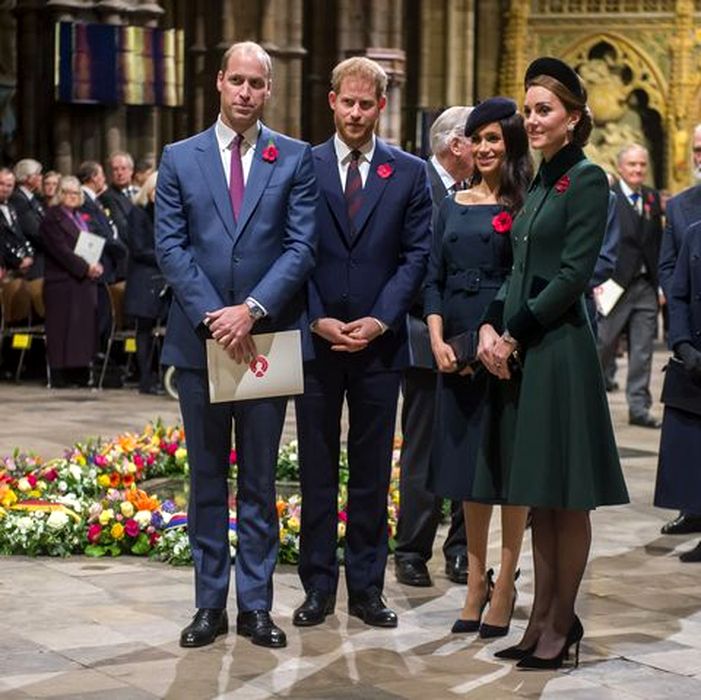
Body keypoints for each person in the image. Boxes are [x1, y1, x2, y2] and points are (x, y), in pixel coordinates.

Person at [155, 41, 318, 649]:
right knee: (205, 479)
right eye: (238, 80)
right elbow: (170, 245)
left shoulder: (293, 157)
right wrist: (217, 317)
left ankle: (255, 605)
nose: (246, 92)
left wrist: (250, 310)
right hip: (201, 341)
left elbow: (301, 246)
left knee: (258, 480)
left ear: (269, 89)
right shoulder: (180, 157)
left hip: (264, 339)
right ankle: (208, 606)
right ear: (219, 82)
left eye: (257, 83)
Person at [472, 57, 629, 669]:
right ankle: (539, 618)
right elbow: (517, 269)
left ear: (574, 117)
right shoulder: (539, 180)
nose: (533, 120)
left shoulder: (587, 179)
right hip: (528, 350)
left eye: (545, 110)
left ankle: (562, 623)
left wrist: (512, 333)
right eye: (529, 110)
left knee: (567, 497)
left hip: (560, 351)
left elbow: (571, 277)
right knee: (539, 495)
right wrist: (490, 323)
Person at [293, 56, 432, 629]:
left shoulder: (408, 172)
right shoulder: (302, 165)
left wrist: (379, 320)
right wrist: (315, 318)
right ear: (332, 101)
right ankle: (317, 586)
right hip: (318, 343)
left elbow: (416, 256)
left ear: (382, 106)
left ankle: (368, 589)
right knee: (317, 468)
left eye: (365, 104)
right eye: (347, 102)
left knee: (372, 471)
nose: (355, 113)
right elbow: (290, 249)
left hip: (379, 347)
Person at [424, 98, 532, 638]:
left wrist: (505, 338)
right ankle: (474, 582)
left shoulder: (525, 202)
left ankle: (506, 583)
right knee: (467, 470)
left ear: (511, 142)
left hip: (507, 343)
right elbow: (433, 277)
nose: (484, 148)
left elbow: (526, 275)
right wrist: (436, 339)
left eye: (494, 138)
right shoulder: (450, 204)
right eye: (477, 138)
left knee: (507, 468)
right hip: (456, 344)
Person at [394, 105, 473, 588]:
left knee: (466, 446)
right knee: (422, 448)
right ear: (456, 144)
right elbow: (405, 262)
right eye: (479, 139)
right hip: (423, 335)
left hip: (471, 341)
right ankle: (412, 550)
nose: (488, 148)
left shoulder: (482, 190)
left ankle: (461, 549)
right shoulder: (413, 182)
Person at [598, 144, 664, 428]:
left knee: (642, 349)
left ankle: (639, 407)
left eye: (642, 164)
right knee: (603, 344)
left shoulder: (651, 197)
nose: (638, 170)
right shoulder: (608, 197)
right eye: (632, 164)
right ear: (620, 167)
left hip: (645, 285)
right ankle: (592, 398)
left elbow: (657, 242)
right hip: (614, 284)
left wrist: (660, 285)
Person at [656, 123, 701, 537]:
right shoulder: (681, 206)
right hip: (692, 327)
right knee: (688, 431)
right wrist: (681, 308)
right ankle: (693, 509)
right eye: (698, 149)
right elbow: (669, 264)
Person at [40, 175, 102, 388]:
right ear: (60, 194)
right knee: (61, 330)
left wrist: (96, 264)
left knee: (80, 331)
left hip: (82, 281)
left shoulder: (80, 217)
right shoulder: (52, 218)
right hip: (62, 281)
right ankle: (60, 375)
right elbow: (61, 251)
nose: (72, 196)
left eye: (76, 193)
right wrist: (86, 268)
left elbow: (90, 245)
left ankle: (80, 372)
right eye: (67, 192)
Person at [124, 170, 166, 395]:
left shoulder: (167, 213)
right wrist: (169, 257)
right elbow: (139, 249)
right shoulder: (138, 213)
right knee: (144, 330)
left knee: (161, 330)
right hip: (144, 280)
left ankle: (162, 376)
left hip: (162, 279)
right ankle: (146, 379)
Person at [10, 158, 45, 279]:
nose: (41, 177)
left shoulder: (32, 198)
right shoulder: (18, 199)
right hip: (32, 261)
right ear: (28, 178)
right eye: (38, 174)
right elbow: (34, 231)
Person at [0, 167, 34, 276]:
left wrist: (29, 255)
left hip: (16, 268)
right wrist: (18, 261)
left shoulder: (11, 207)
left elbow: (20, 235)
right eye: (1, 184)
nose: (5, 189)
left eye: (9, 185)